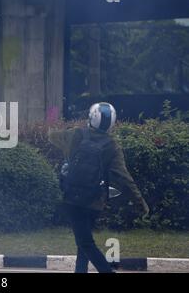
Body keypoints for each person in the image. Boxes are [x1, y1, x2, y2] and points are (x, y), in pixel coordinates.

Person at [49, 102, 149, 273]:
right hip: (94, 201)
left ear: (90, 117)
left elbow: (51, 136)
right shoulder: (112, 146)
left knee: (85, 243)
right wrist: (141, 203)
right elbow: (125, 178)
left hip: (72, 198)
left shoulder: (76, 134)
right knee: (83, 243)